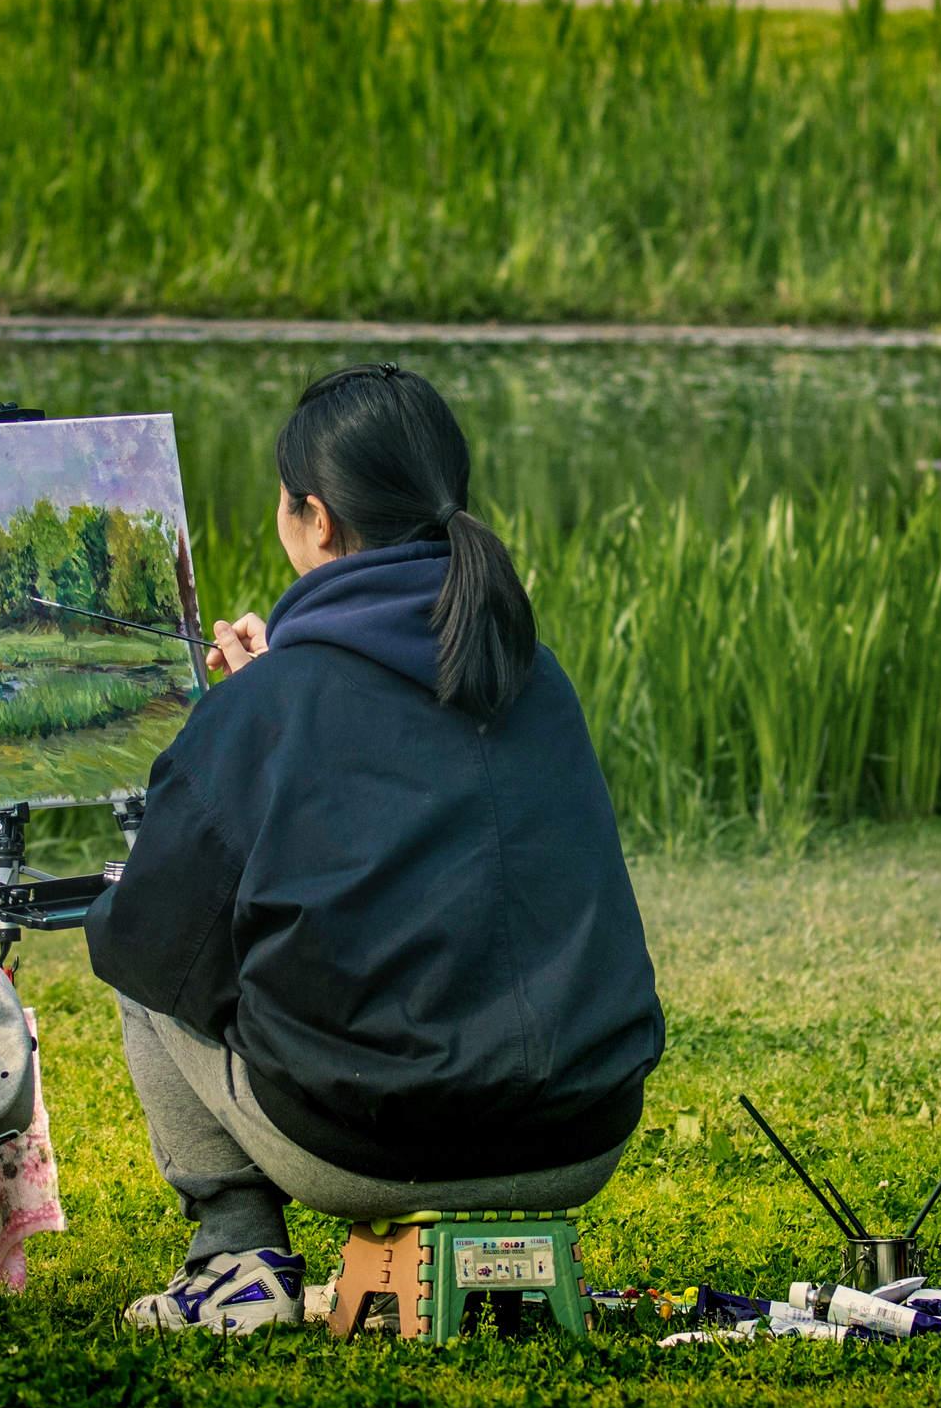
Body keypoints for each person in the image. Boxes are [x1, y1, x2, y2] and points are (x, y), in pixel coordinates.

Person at [83, 362, 664, 1333]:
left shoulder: (278, 701)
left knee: (136, 932)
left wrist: (236, 722)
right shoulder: (534, 672)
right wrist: (267, 702)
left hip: (370, 1144)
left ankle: (236, 1254)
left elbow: (158, 914)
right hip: (581, 1125)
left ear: (317, 519)